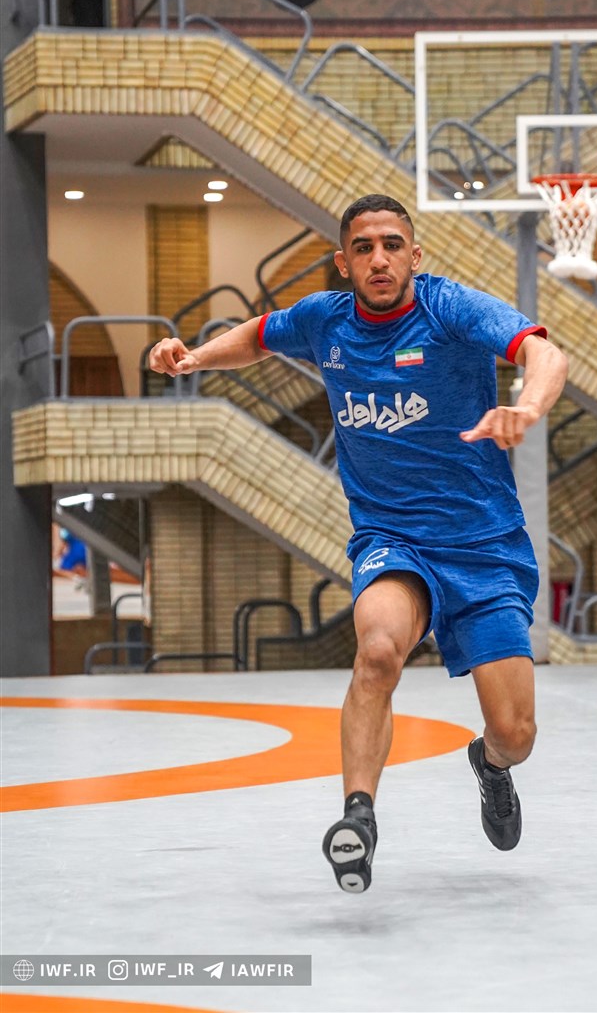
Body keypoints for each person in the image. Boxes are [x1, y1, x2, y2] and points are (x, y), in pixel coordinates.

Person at [149, 193, 569, 894]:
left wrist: (526, 406)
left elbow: (543, 352)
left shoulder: (450, 309)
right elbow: (258, 335)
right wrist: (194, 358)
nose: (379, 258)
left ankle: (490, 765)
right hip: (391, 538)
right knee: (376, 652)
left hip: (482, 544)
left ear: (415, 255)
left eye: (392, 245)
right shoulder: (325, 320)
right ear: (343, 263)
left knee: (516, 733)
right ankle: (359, 817)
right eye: (364, 248)